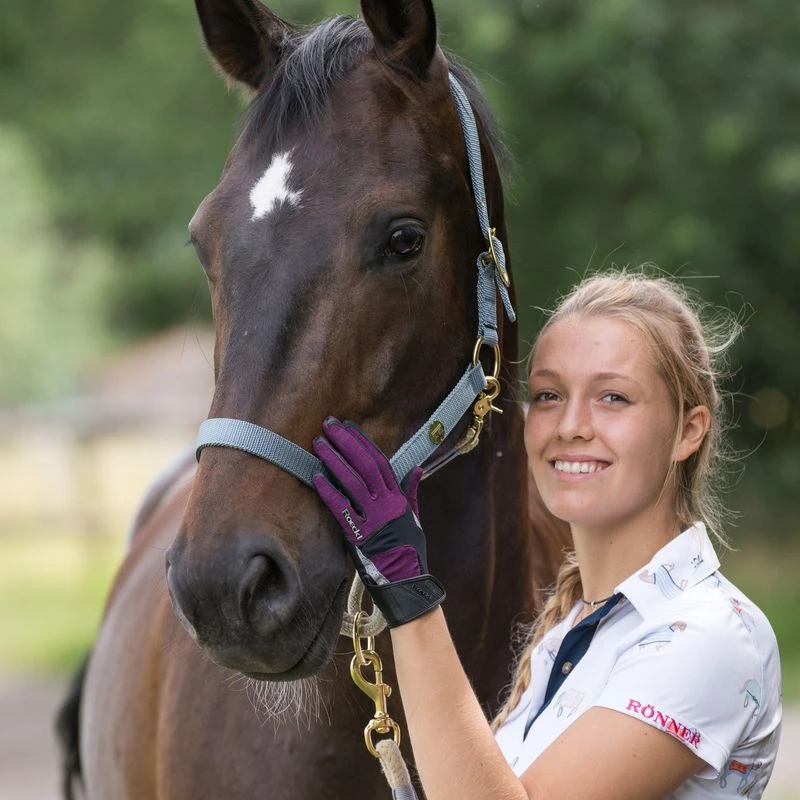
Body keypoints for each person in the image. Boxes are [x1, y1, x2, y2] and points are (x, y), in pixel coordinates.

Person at [312, 272, 782, 799]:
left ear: (688, 430)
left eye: (613, 397)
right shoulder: (570, 629)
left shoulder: (709, 636)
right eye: (549, 395)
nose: (570, 425)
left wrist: (409, 594)